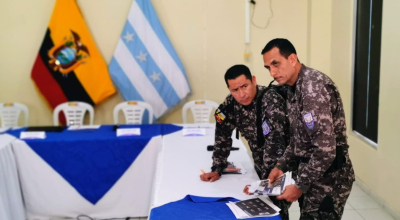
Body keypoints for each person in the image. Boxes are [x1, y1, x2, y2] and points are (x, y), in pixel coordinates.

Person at [262, 38, 355, 220]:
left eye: (276, 64)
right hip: (312, 176)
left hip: (329, 181)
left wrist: (299, 186)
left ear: (292, 59)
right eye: (268, 68)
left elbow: (325, 150)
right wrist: (280, 165)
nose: (272, 72)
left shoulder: (313, 87)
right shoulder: (293, 88)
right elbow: (298, 138)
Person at [199, 64, 291, 220]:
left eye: (244, 86)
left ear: (253, 80)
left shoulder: (270, 100)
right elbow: (222, 136)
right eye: (235, 90)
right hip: (260, 161)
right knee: (262, 208)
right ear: (229, 89)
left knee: (277, 208)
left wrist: (263, 184)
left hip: (283, 161)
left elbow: (275, 143)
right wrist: (217, 167)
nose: (242, 94)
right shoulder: (230, 105)